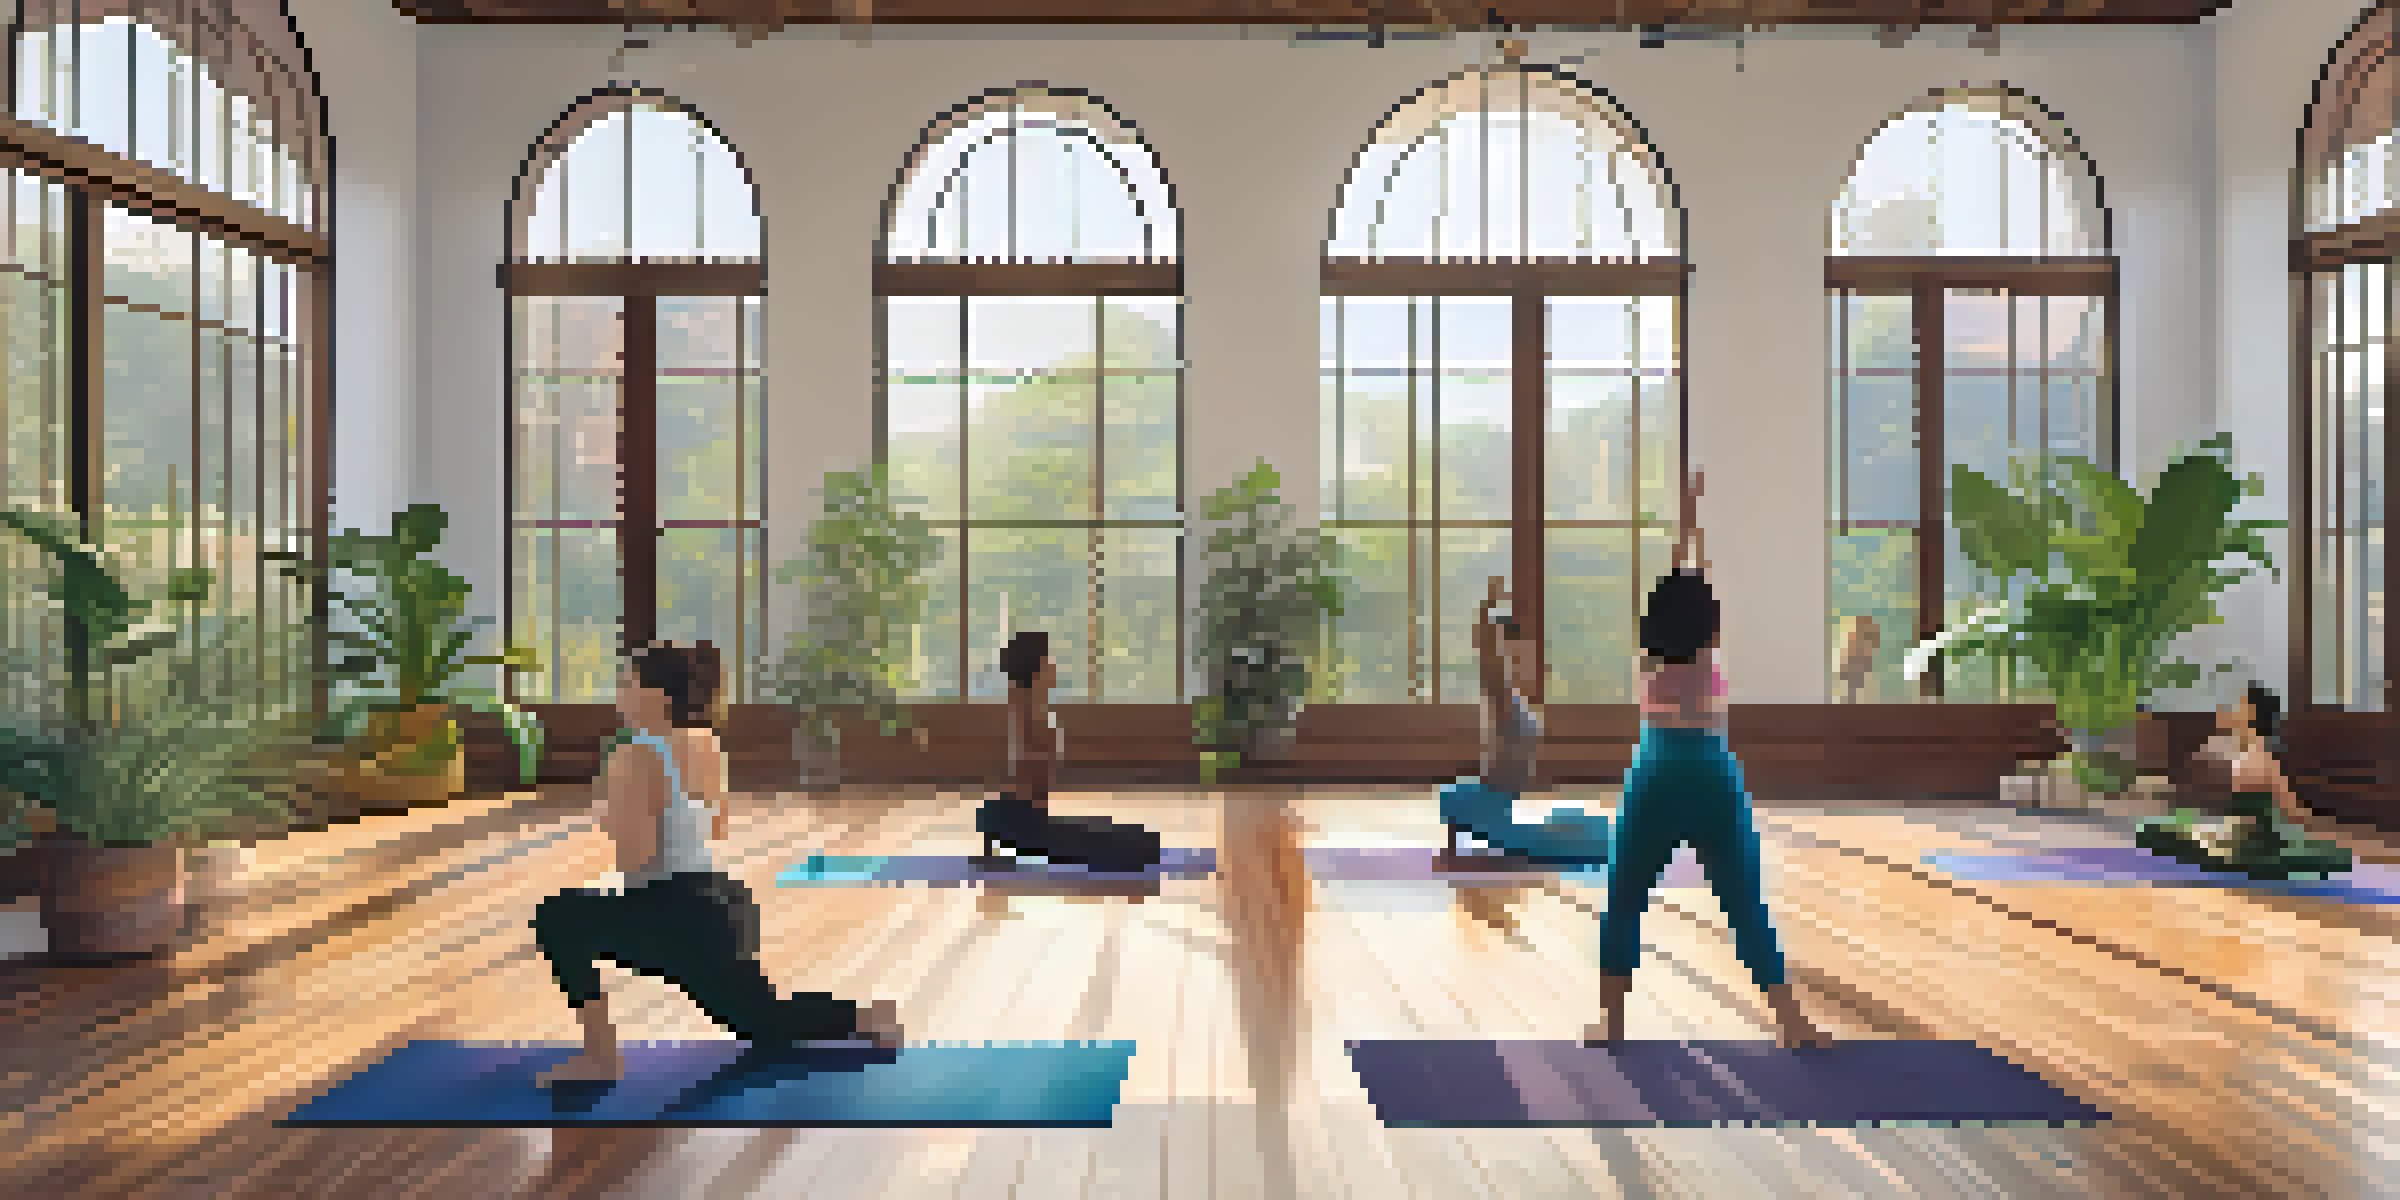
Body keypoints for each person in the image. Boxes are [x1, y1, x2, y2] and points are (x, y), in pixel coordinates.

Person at [531, 641, 901, 1087]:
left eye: (627, 684)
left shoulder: (632, 757)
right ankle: (862, 1016)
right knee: (760, 1020)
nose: (618, 695)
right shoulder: (706, 744)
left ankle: (601, 1056)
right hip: (723, 901)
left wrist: (610, 815)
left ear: (659, 697)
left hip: (679, 916)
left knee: (559, 917)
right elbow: (717, 827)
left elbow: (639, 858)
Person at [1587, 470, 1832, 1050]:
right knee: (1745, 898)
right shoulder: (1708, 656)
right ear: (1707, 624)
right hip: (1713, 775)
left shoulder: (1646, 660)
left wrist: (1686, 524)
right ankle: (1791, 1022)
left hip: (1656, 775)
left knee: (1624, 894)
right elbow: (1696, 588)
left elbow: (1680, 589)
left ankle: (1611, 1023)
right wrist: (1694, 523)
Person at [1436, 575, 1611, 865]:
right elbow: (1487, 655)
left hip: (1501, 800)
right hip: (1493, 798)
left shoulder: (1514, 702)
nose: (1515, 658)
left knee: (1580, 827)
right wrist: (1487, 609)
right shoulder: (1504, 699)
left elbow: (1492, 658)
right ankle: (1460, 831)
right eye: (1509, 650)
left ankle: (1460, 833)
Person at [976, 631, 1163, 872]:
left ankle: (999, 825)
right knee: (1136, 847)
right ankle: (997, 825)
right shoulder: (1025, 711)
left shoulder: (1033, 708)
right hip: (1022, 820)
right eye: (1049, 660)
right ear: (1036, 669)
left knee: (1134, 838)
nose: (1054, 666)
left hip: (1027, 817)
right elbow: (1026, 775)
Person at [2134, 682, 2352, 879]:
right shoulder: (2248, 751)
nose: (2234, 711)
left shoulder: (2263, 758)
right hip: (2232, 834)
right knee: (2168, 829)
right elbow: (2292, 811)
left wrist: (2315, 833)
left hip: (2245, 844)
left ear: (2251, 714)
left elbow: (2291, 810)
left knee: (2167, 832)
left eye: (2241, 706)